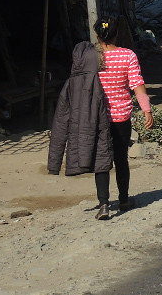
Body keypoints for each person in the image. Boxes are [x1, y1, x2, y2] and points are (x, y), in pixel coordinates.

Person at [93, 17, 154, 219]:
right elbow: (138, 84)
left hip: (98, 118)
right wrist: (147, 110)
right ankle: (124, 199)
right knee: (121, 159)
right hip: (121, 118)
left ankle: (103, 205)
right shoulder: (128, 56)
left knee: (101, 161)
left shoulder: (92, 57)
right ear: (116, 34)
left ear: (96, 35)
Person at [48, 41, 113, 219]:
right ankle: (105, 203)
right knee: (102, 165)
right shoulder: (102, 78)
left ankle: (104, 204)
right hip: (103, 127)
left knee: (100, 162)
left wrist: (54, 165)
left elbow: (60, 123)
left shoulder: (70, 84)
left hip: (79, 134)